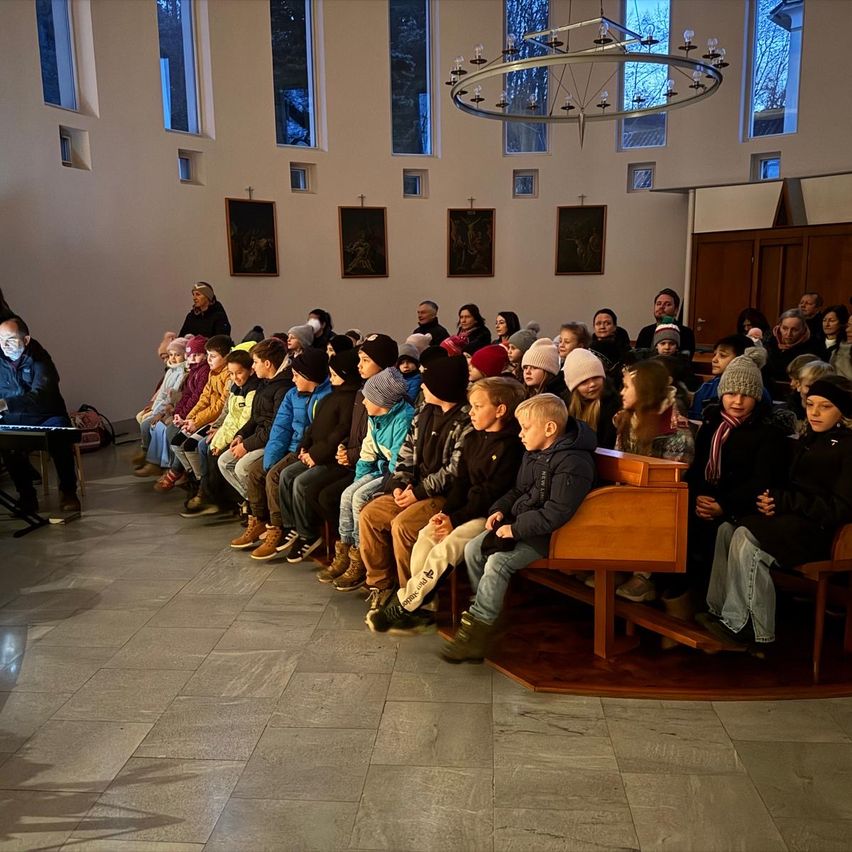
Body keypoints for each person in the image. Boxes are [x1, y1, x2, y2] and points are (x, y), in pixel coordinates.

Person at [440, 393, 596, 662]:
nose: (520, 434)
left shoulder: (573, 462)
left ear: (550, 428)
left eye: (525, 428)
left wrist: (515, 529)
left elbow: (557, 512)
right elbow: (519, 490)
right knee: (473, 548)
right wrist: (499, 509)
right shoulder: (534, 453)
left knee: (498, 562)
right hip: (524, 527)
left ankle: (479, 628)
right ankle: (486, 612)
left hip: (551, 537)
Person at [701, 376, 852, 652]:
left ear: (842, 410)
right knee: (727, 527)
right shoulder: (811, 437)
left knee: (747, 537)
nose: (815, 413)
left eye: (826, 406)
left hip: (823, 532)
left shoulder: (848, 446)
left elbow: (839, 507)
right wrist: (773, 499)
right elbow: (793, 486)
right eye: (810, 404)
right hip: (795, 520)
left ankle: (752, 628)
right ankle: (720, 610)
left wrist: (785, 502)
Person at [368, 377, 525, 634]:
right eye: (471, 406)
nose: (470, 412)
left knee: (448, 548)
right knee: (425, 537)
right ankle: (423, 609)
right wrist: (445, 513)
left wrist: (456, 519)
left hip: (488, 516)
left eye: (477, 406)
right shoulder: (474, 438)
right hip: (463, 510)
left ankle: (403, 605)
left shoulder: (511, 446)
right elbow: (461, 482)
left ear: (500, 410)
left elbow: (490, 493)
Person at [358, 354, 474, 615]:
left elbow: (455, 470)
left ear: (442, 387)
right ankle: (381, 586)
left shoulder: (466, 421)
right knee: (370, 514)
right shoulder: (424, 412)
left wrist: (419, 492)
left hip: (444, 496)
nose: (421, 386)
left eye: (427, 383)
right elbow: (406, 454)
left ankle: (411, 597)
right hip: (414, 490)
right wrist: (400, 483)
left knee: (404, 526)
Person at [680, 354, 790, 622]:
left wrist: (723, 506)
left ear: (757, 397)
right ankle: (684, 602)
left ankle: (719, 611)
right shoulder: (711, 426)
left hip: (742, 508)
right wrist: (698, 499)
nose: (737, 401)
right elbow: (698, 470)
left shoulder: (768, 433)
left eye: (745, 394)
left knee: (717, 533)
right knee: (678, 526)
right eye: (730, 393)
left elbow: (761, 481)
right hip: (708, 503)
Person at [321, 367, 414, 589]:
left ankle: (361, 557)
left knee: (360, 498)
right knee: (348, 495)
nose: (362, 403)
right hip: (380, 468)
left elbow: (399, 463)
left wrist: (375, 488)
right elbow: (368, 453)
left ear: (382, 400)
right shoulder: (375, 417)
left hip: (395, 475)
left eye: (367, 399)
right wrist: (358, 479)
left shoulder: (404, 419)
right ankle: (346, 548)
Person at [230, 347, 331, 551]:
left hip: (305, 450)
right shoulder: (293, 394)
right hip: (290, 446)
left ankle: (279, 527)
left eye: (296, 375)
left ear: (309, 375)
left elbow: (319, 432)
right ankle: (258, 519)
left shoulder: (326, 396)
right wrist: (270, 458)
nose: (293, 380)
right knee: (257, 471)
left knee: (275, 476)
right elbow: (280, 427)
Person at [612, 358, 695, 602]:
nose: (621, 392)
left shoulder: (677, 432)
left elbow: (668, 485)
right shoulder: (627, 419)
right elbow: (620, 462)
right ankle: (617, 564)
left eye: (627, 386)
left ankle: (645, 576)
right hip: (633, 492)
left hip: (662, 503)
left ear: (645, 390)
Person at [0, 316, 80, 513]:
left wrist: (5, 404)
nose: (4, 345)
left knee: (60, 434)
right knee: (6, 441)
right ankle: (27, 496)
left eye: (10, 339)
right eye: (0, 339)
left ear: (26, 340)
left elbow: (42, 394)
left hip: (46, 414)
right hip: (14, 416)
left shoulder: (40, 358)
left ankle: (68, 492)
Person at [182, 348, 260, 517]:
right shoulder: (234, 386)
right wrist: (216, 430)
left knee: (217, 454)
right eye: (231, 374)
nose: (234, 377)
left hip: (244, 435)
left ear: (250, 370)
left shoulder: (253, 390)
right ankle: (208, 493)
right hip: (229, 431)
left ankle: (229, 501)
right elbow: (227, 413)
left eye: (239, 373)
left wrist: (222, 440)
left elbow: (244, 421)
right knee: (203, 446)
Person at [215, 336, 289, 511]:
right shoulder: (265, 383)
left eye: (255, 362)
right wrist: (240, 435)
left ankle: (259, 512)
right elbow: (255, 417)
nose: (253, 367)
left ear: (268, 364)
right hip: (258, 436)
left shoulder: (282, 387)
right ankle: (253, 503)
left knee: (242, 467)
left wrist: (247, 445)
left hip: (270, 441)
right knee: (224, 461)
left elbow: (274, 427)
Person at [155, 334, 233, 493]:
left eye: (213, 356)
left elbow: (219, 406)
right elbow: (203, 399)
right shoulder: (212, 373)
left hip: (216, 421)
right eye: (209, 356)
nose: (209, 360)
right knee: (177, 441)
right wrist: (187, 418)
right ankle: (195, 478)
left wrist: (194, 421)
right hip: (204, 418)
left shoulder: (223, 375)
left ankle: (202, 485)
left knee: (191, 444)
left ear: (226, 357)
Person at [137, 335, 210, 477]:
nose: (171, 359)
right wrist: (174, 411)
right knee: (152, 425)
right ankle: (157, 462)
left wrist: (177, 413)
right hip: (178, 411)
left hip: (187, 413)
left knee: (168, 430)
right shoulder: (181, 372)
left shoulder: (196, 372)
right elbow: (176, 395)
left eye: (177, 355)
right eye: (190, 355)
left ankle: (175, 469)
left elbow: (194, 398)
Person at [133, 335, 188, 468]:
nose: (173, 358)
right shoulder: (171, 372)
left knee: (156, 426)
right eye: (170, 355)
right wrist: (154, 409)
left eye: (177, 355)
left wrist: (161, 413)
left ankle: (159, 463)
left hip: (171, 410)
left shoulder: (183, 373)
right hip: (162, 408)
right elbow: (161, 394)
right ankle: (149, 457)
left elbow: (173, 398)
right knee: (146, 423)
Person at [562, 348, 620, 449]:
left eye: (596, 377)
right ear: (574, 388)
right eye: (584, 382)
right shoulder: (564, 407)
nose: (592, 384)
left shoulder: (614, 405)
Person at [763, 309, 822, 393]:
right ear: (779, 326)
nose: (788, 334)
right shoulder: (769, 341)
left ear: (803, 329)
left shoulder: (814, 347)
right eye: (785, 328)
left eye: (794, 330)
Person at [634, 289, 696, 355]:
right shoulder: (645, 331)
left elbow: (685, 360)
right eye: (658, 304)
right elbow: (637, 358)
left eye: (667, 304)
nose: (661, 307)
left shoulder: (686, 333)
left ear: (676, 310)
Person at [590, 309, 631, 378]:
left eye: (607, 323)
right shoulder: (587, 348)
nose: (602, 327)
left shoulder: (623, 348)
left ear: (615, 327)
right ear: (594, 327)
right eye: (598, 324)